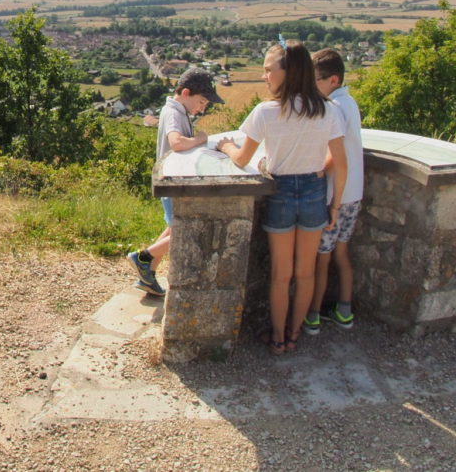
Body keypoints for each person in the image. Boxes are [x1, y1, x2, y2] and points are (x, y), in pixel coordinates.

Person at [216, 40, 346, 356]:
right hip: (315, 194)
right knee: (305, 273)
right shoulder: (327, 110)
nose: (264, 76)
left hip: (282, 194)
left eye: (268, 70)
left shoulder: (267, 112)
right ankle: (294, 334)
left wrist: (225, 147)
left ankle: (277, 338)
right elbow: (340, 163)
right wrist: (335, 206)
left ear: (287, 72)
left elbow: (242, 158)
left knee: (280, 275)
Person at [127, 68, 223, 296]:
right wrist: (200, 138)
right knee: (184, 231)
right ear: (186, 92)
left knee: (174, 227)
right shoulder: (173, 113)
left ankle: (147, 275)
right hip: (172, 182)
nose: (203, 107)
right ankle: (143, 257)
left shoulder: (177, 110)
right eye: (201, 102)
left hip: (173, 179)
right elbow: (177, 142)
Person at [303, 48, 363, 333]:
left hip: (334, 196)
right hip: (354, 194)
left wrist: (314, 169)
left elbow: (335, 155)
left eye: (317, 81)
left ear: (334, 80)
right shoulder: (350, 102)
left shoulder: (334, 108)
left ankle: (313, 314)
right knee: (342, 254)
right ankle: (345, 310)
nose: (313, 86)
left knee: (322, 261)